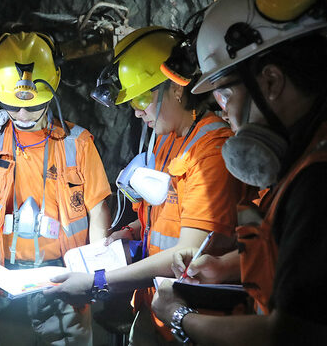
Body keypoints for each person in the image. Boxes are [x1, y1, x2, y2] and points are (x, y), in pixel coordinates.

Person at [152, 0, 327, 344]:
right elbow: (304, 259)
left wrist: (180, 317)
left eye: (225, 93)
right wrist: (224, 267)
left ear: (272, 81)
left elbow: (292, 335)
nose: (224, 110)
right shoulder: (318, 149)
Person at [44, 26, 242, 345]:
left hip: (193, 320)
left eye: (141, 97)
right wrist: (132, 231)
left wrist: (98, 280)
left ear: (176, 89)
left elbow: (188, 252)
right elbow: (167, 215)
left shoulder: (211, 152)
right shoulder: (167, 139)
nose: (136, 111)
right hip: (155, 306)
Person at [0, 31, 112, 345]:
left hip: (65, 280)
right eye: (12, 107)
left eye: (32, 106)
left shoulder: (77, 144)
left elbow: (98, 214)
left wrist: (93, 274)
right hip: (4, 281)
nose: (23, 114)